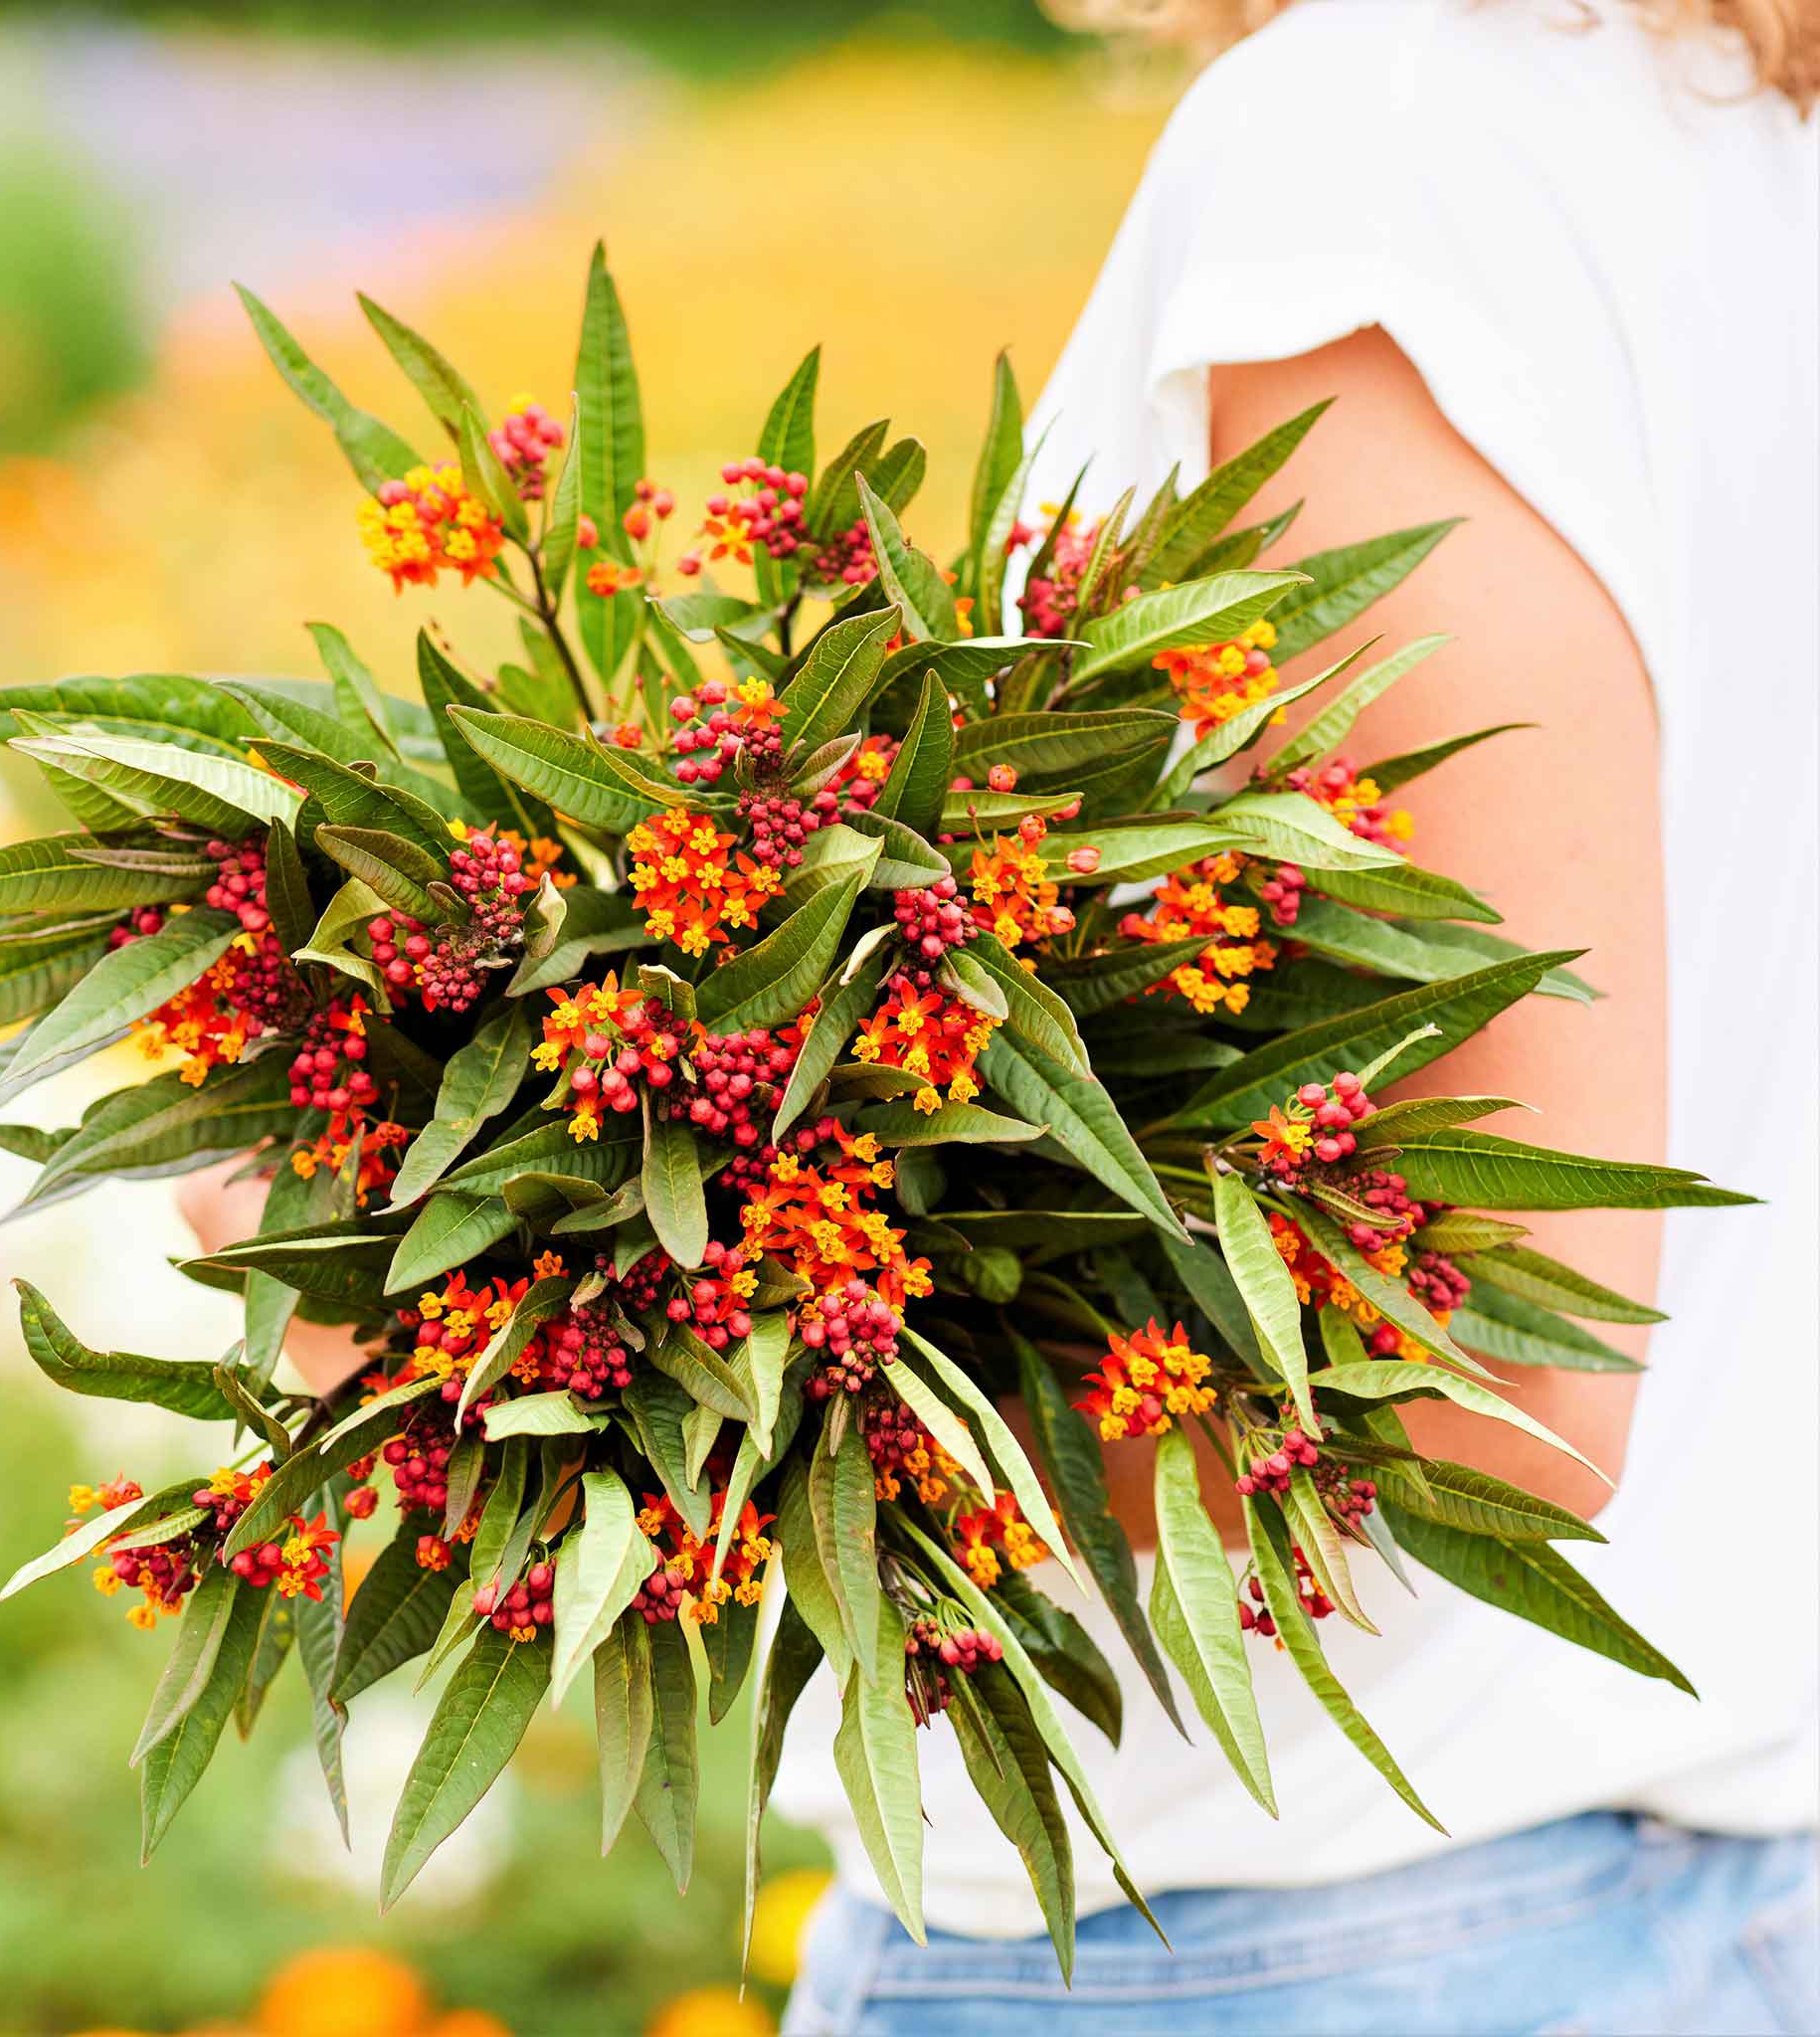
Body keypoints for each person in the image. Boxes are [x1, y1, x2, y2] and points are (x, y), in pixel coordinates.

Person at [772, 2, 1820, 2031]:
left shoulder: (1385, 132)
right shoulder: (1739, 144)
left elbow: (1488, 1367)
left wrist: (604, 1338)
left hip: (1301, 1935)